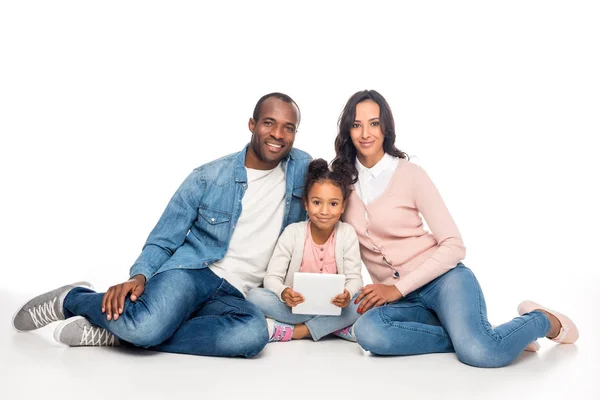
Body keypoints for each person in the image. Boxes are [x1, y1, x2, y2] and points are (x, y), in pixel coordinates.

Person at [12, 92, 312, 358]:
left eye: (289, 127)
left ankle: (120, 335)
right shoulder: (209, 177)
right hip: (193, 273)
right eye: (269, 123)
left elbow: (337, 187)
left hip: (240, 292)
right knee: (146, 326)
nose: (278, 134)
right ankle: (73, 299)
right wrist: (140, 275)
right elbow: (165, 236)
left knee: (253, 335)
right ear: (252, 124)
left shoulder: (303, 169)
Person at [331, 89, 579, 368]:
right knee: (368, 331)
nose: (366, 132)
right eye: (356, 124)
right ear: (347, 130)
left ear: (386, 127)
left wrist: (397, 289)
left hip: (444, 282)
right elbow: (333, 240)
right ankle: (482, 336)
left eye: (374, 123)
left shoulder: (410, 175)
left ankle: (540, 320)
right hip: (403, 302)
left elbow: (453, 245)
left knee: (481, 353)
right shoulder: (341, 182)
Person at [247, 159, 362, 342]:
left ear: (342, 206)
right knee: (254, 297)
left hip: (335, 306)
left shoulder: (347, 233)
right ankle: (335, 327)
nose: (324, 211)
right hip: (295, 306)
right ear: (306, 204)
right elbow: (272, 278)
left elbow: (355, 278)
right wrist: (284, 293)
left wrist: (347, 294)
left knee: (364, 302)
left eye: (333, 204)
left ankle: (294, 331)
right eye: (317, 202)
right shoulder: (293, 232)